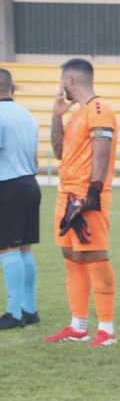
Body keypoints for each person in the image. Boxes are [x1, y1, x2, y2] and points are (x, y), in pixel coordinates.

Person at [42, 59, 118, 347]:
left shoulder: (99, 109)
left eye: (63, 82)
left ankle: (107, 330)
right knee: (72, 258)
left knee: (95, 256)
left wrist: (93, 195)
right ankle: (79, 325)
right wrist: (56, 117)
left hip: (86, 197)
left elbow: (102, 152)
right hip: (66, 195)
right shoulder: (76, 114)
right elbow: (60, 152)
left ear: (70, 80)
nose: (62, 88)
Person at [0, 68, 41, 330]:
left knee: (7, 248)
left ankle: (13, 313)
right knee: (24, 247)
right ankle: (29, 308)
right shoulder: (27, 115)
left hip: (8, 185)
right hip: (29, 183)